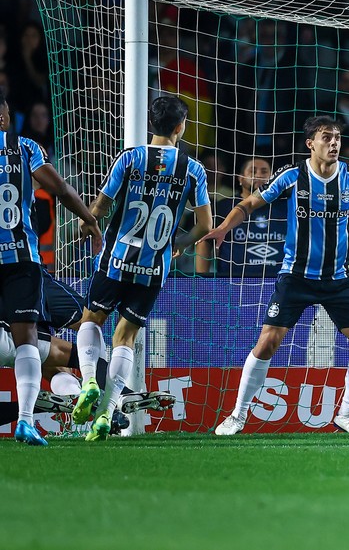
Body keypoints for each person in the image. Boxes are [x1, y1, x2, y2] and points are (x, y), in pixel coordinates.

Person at [202, 116, 349, 435]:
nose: (334, 143)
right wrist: (222, 228)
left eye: (338, 138)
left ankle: (347, 415)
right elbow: (249, 203)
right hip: (296, 277)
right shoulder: (291, 176)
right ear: (310, 143)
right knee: (268, 343)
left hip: (338, 279)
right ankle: (238, 415)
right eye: (327, 137)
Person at [71, 95, 212, 441]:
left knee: (92, 320)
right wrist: (177, 245)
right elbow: (205, 225)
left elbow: (102, 206)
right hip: (154, 267)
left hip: (116, 259)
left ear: (152, 124)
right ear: (180, 127)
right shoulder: (193, 169)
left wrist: (88, 223)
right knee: (126, 337)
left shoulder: (130, 158)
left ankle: (89, 379)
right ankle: (106, 411)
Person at [0, 92, 102, 445]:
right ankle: (25, 421)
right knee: (28, 339)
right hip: (20, 261)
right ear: (3, 117)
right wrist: (89, 218)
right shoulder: (25, 148)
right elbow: (58, 188)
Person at [0, 269, 176, 433]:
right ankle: (115, 398)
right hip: (27, 279)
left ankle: (62, 401)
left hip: (9, 326)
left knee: (54, 365)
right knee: (87, 330)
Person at [195, 157, 288, 278]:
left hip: (278, 282)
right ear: (240, 178)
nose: (259, 175)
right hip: (231, 282)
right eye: (253, 171)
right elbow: (204, 241)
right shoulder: (223, 206)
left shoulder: (286, 207)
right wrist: (202, 280)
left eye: (264, 172)